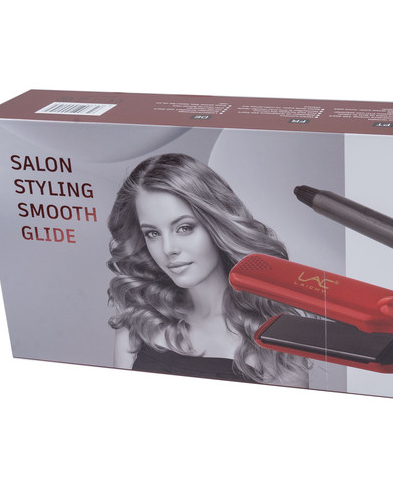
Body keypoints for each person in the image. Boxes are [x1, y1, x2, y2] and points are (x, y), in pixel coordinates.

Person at [106, 153, 309, 387]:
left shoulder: (274, 334)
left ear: (216, 224)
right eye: (153, 233)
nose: (168, 249)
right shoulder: (139, 323)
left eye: (184, 228)